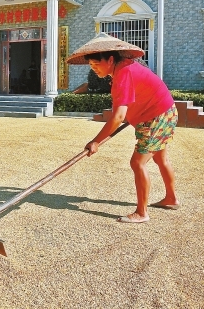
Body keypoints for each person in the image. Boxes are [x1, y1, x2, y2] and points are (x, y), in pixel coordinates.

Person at [66, 33, 180, 223]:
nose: (94, 70)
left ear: (110, 59)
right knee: (160, 158)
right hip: (164, 112)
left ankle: (142, 213)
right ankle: (171, 198)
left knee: (138, 163)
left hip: (156, 117)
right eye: (91, 66)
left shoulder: (123, 73)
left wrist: (96, 141)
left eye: (96, 65)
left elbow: (117, 117)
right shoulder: (124, 68)